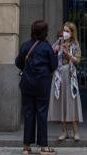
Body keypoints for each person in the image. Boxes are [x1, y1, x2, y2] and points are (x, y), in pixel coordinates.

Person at [16, 19, 59, 155]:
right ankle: (44, 147)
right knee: (42, 113)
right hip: (42, 85)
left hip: (27, 84)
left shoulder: (25, 46)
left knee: (28, 113)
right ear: (44, 33)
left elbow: (18, 62)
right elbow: (54, 66)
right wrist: (55, 53)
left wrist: (28, 69)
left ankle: (26, 146)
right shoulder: (47, 47)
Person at [48, 21, 83, 142]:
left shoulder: (75, 44)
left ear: (72, 33)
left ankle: (75, 131)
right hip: (59, 75)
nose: (65, 33)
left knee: (71, 102)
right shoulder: (59, 42)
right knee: (61, 102)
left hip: (70, 75)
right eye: (64, 30)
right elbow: (50, 55)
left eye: (67, 31)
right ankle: (63, 131)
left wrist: (68, 54)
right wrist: (55, 50)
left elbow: (78, 60)